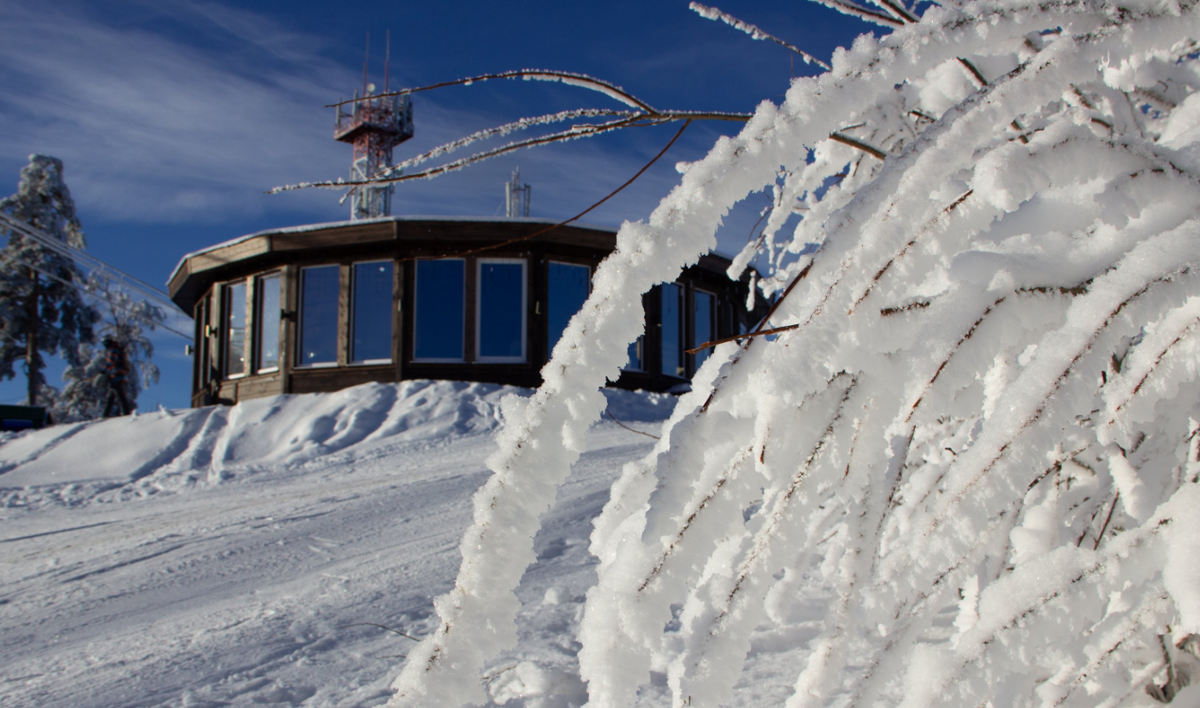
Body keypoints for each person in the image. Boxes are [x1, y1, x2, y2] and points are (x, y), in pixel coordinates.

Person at [101, 336, 132, 417]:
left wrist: (103, 371)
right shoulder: (116, 348)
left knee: (119, 395)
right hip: (118, 375)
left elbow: (110, 362)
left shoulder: (113, 350)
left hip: (116, 375)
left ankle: (126, 413)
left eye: (105, 343)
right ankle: (105, 415)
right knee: (111, 396)